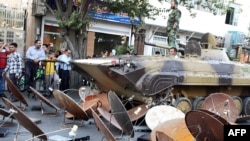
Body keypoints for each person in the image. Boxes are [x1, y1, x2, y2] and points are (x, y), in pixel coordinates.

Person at [0, 39, 10, 108]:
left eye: (2, 43)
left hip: (3, 68)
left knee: (2, 81)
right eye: (0, 43)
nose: (1, 44)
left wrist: (7, 46)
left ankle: (1, 92)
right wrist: (2, 46)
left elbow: (9, 53)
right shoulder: (1, 50)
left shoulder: (4, 51)